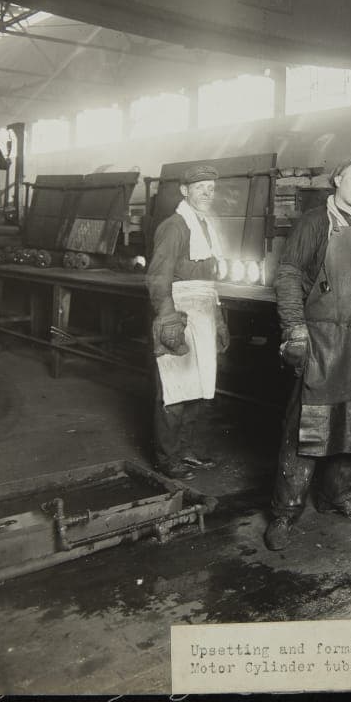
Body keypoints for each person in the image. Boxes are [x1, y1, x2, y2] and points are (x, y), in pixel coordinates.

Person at [264, 155, 351, 551]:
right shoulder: (314, 222)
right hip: (323, 339)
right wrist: (294, 329)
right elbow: (288, 275)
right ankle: (285, 512)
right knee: (306, 429)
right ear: (337, 179)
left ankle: (335, 496)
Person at [146, 164, 231, 480]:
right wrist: (167, 318)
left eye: (211, 187)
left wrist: (219, 321)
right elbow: (157, 276)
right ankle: (167, 457)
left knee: (201, 384)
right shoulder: (175, 227)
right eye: (200, 187)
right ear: (184, 191)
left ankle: (188, 450)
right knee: (174, 385)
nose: (207, 193)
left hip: (204, 311)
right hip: (180, 312)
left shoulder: (206, 226)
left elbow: (210, 283)